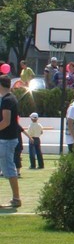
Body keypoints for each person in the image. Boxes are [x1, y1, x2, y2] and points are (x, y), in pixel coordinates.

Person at [0, 76, 22, 208]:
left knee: (9, 169)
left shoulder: (7, 100)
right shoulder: (8, 98)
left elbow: (6, 121)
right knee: (7, 169)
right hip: (5, 139)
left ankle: (16, 198)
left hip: (6, 140)